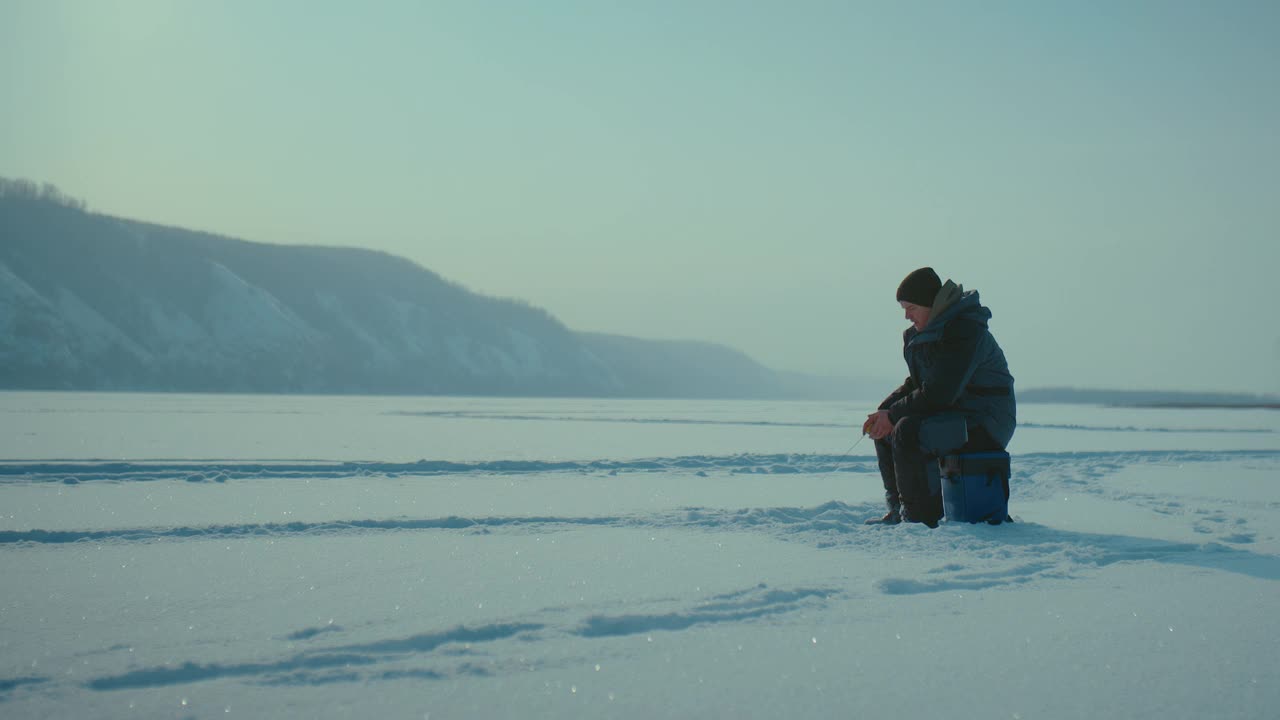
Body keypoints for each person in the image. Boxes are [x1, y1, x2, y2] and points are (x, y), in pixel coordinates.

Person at [864, 267, 1016, 527]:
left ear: (929, 304)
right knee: (888, 428)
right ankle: (898, 510)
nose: (906, 316)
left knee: (906, 430)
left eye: (910, 307)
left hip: (984, 422)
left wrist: (894, 415)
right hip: (954, 416)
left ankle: (919, 519)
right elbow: (918, 383)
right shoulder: (926, 334)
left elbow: (940, 392)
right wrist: (885, 411)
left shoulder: (965, 330)